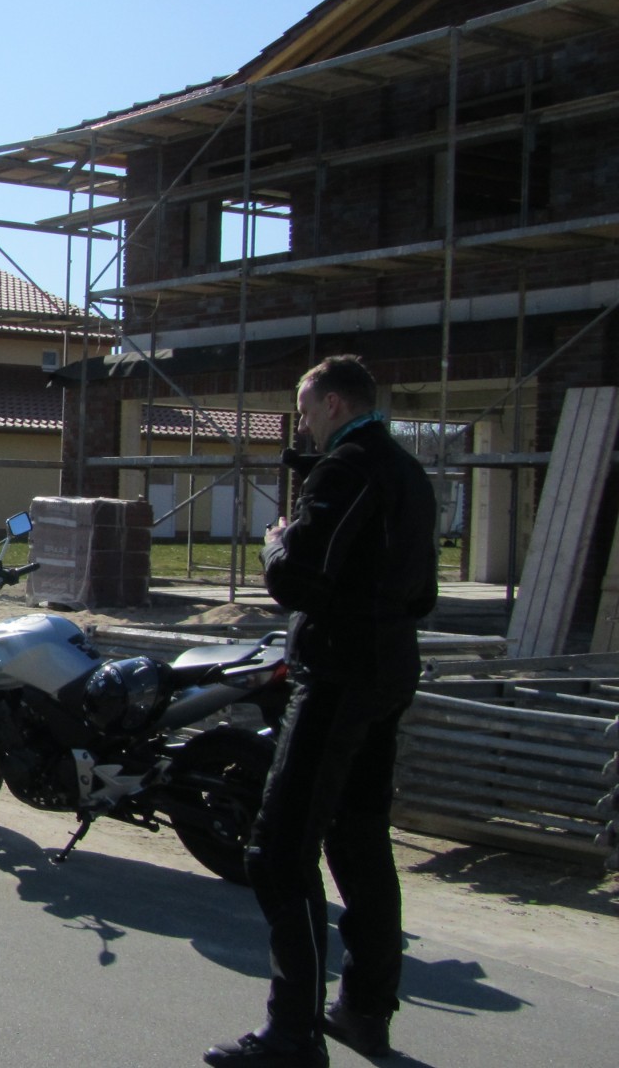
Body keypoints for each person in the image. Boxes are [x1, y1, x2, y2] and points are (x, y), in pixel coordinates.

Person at [205, 355, 437, 1068]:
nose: (301, 427)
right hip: (389, 664)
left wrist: (277, 542)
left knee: (278, 850)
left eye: (305, 412)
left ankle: (293, 1032)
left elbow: (298, 578)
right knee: (359, 838)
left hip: (339, 672)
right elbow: (422, 589)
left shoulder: (347, 469)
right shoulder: (409, 471)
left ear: (334, 405)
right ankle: (365, 1007)